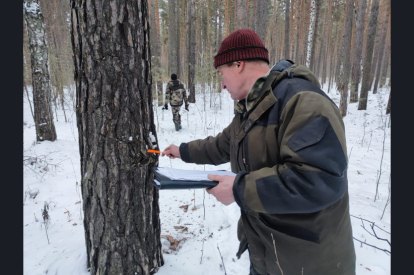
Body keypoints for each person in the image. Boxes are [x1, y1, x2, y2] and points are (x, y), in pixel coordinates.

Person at [162, 29, 356, 275]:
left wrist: (238, 188)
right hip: (267, 253)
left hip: (308, 262)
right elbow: (222, 144)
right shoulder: (252, 108)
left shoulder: (302, 101)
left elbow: (317, 181)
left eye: (222, 74)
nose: (221, 84)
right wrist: (182, 151)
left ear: (239, 64)